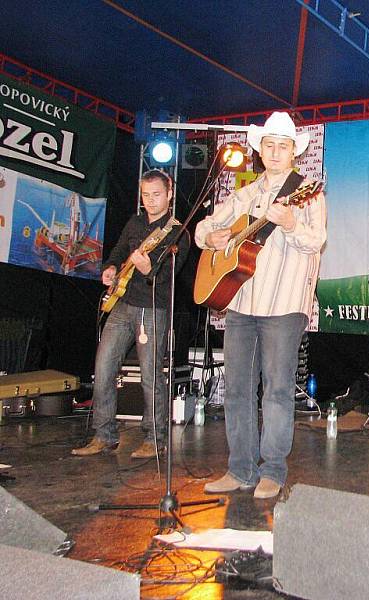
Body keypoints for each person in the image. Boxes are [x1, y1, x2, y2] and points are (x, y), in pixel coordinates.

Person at [195, 112, 326, 500]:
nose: (274, 151)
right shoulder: (245, 193)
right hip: (240, 301)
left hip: (284, 304)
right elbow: (204, 227)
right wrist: (214, 237)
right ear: (259, 149)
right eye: (268, 145)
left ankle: (272, 470)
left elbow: (315, 241)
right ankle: (239, 469)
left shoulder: (310, 193)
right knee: (235, 389)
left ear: (293, 153)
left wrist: (289, 223)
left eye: (282, 146)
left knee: (277, 391)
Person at [73, 169, 189, 459]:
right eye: (146, 195)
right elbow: (117, 251)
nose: (150, 201)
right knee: (103, 368)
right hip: (122, 303)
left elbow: (171, 274)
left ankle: (155, 438)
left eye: (156, 195)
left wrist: (151, 270)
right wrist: (110, 269)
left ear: (170, 193)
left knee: (151, 376)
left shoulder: (177, 231)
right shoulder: (135, 223)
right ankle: (104, 434)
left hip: (152, 308)